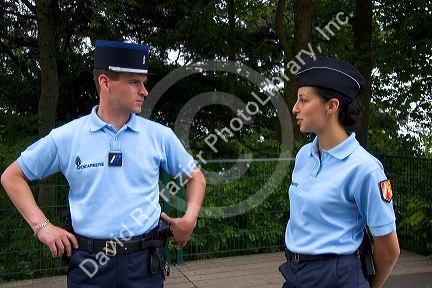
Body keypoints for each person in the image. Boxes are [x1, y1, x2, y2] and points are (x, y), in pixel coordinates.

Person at [0, 40, 206, 288]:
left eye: (144, 83)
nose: (144, 91)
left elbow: (196, 177)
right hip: (89, 267)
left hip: (144, 265)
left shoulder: (159, 136)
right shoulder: (67, 137)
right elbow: (12, 176)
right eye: (134, 82)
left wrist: (190, 218)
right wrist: (42, 226)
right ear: (105, 83)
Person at [279, 56, 400, 288]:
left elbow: (388, 248)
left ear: (332, 106)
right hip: (295, 273)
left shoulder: (365, 169)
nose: (295, 108)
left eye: (303, 100)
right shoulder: (305, 155)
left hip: (337, 277)